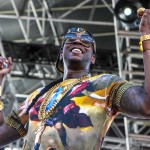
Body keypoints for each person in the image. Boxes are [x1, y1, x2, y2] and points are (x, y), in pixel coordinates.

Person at [0, 7, 150, 150]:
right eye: (70, 39)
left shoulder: (106, 85)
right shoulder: (36, 96)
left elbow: (146, 106)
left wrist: (146, 38)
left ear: (93, 58)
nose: (78, 41)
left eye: (86, 41)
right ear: (61, 53)